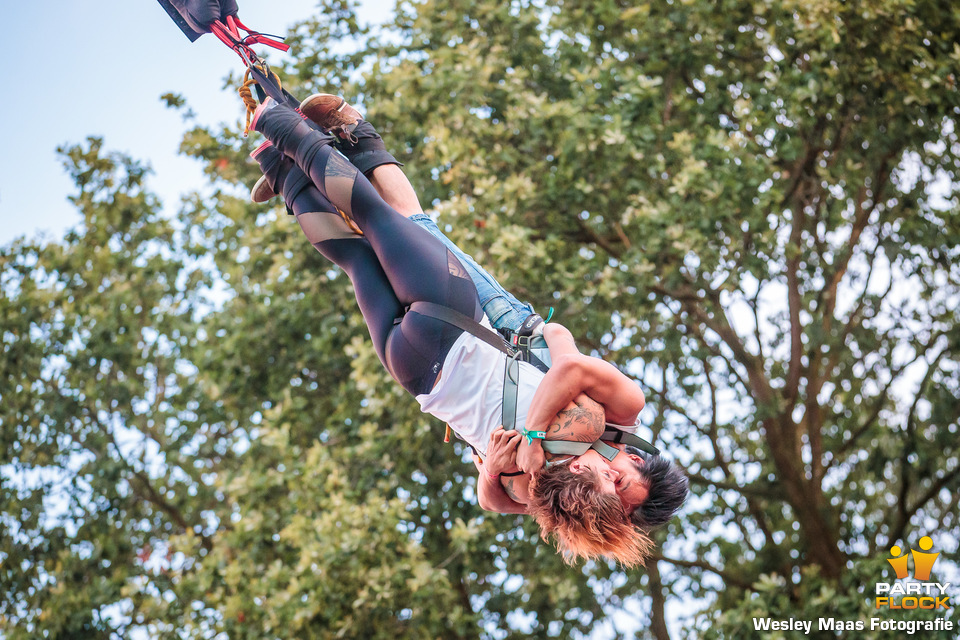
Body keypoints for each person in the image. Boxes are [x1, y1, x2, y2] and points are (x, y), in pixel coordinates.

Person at [247, 94, 686, 565]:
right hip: (489, 335)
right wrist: (533, 437)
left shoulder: (557, 487)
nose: (608, 490)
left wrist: (494, 471)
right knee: (394, 231)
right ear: (635, 460)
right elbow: (565, 352)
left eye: (616, 506)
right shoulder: (614, 417)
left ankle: (295, 147)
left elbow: (495, 502)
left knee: (382, 231)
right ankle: (303, 157)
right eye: (620, 484)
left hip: (451, 346)